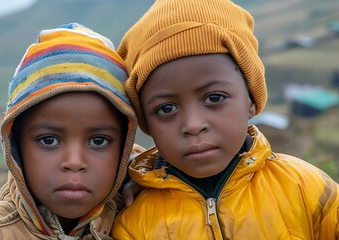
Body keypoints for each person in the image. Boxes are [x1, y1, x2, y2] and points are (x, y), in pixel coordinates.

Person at [111, 0, 339, 239]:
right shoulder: (134, 224)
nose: (193, 125)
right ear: (147, 123)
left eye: (214, 97)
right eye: (166, 108)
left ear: (250, 100)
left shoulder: (305, 189)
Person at [0, 22, 140, 240]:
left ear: (122, 148)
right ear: (16, 146)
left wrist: (140, 174)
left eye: (99, 141)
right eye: (49, 140)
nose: (74, 161)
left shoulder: (142, 212)